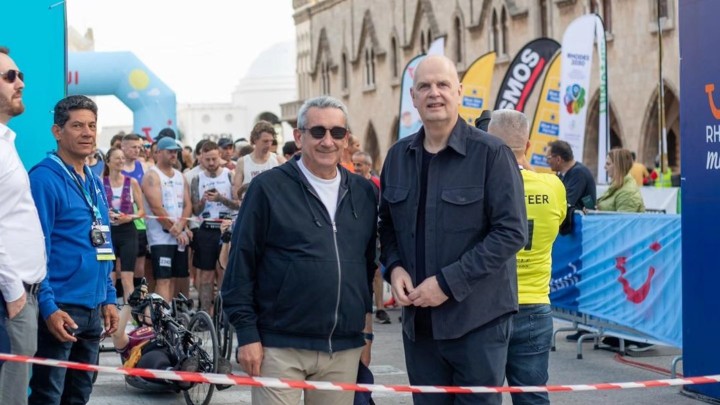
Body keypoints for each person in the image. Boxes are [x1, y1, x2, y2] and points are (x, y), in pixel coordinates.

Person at [378, 56, 527, 405]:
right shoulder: (397, 158)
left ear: (459, 92)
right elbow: (387, 227)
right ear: (413, 97)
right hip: (420, 329)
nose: (434, 93)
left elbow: (511, 232)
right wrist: (394, 267)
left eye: (443, 84)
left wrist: (447, 283)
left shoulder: (492, 154)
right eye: (425, 86)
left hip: (478, 323)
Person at [222, 96, 377, 405]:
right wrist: (247, 334)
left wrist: (366, 333)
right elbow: (241, 265)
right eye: (318, 131)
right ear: (298, 136)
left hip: (342, 349)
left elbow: (366, 266)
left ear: (346, 138)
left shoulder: (363, 192)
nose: (327, 141)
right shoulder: (267, 188)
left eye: (337, 132)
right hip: (279, 346)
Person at [28, 95, 119, 405]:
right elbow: (36, 248)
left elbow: (103, 241)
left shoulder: (93, 179)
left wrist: (108, 296)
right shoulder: (43, 179)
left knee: (79, 395)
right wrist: (48, 306)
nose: (87, 133)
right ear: (57, 131)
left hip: (93, 308)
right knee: (48, 396)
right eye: (77, 126)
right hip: (61, 307)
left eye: (92, 126)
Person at [487, 109, 567, 405]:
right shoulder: (554, 186)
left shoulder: (485, 187)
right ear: (529, 145)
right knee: (532, 397)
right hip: (535, 303)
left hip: (491, 305)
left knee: (483, 397)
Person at [0, 46, 47, 405]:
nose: (21, 83)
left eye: (21, 75)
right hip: (8, 298)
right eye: (9, 76)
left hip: (20, 295)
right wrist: (13, 291)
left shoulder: (6, 141)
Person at [189, 141, 239, 314]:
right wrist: (203, 201)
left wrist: (220, 199)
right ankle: (205, 311)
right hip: (207, 228)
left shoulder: (229, 175)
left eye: (214, 159)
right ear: (201, 158)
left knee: (224, 271)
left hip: (226, 227)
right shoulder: (197, 179)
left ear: (220, 157)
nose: (211, 163)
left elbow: (238, 204)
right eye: (207, 159)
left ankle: (224, 311)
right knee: (206, 274)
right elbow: (195, 210)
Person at [142, 137, 192, 302]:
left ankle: (171, 311)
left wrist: (182, 226)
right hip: (160, 237)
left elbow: (187, 205)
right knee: (163, 278)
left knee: (176, 277)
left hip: (178, 235)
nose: (173, 155)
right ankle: (161, 313)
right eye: (169, 151)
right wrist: (174, 229)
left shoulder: (180, 176)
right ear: (158, 153)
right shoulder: (152, 175)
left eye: (175, 152)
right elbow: (156, 207)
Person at [103, 147, 145, 303]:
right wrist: (105, 214)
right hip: (108, 232)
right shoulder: (100, 182)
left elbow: (141, 211)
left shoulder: (131, 182)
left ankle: (130, 313)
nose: (121, 161)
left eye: (122, 158)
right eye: (117, 158)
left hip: (128, 231)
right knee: (110, 277)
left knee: (128, 277)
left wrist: (129, 218)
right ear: (108, 161)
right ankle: (109, 310)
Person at [352, 151, 389, 325]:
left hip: (374, 234)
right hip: (354, 235)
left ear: (368, 166)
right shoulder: (348, 182)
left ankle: (380, 308)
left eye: (359, 164)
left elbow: (384, 209)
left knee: (376, 272)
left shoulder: (376, 184)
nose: (356, 168)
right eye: (354, 164)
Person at [232, 120, 286, 193]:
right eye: (265, 141)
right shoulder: (242, 162)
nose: (269, 145)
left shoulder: (279, 160)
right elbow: (236, 193)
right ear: (255, 140)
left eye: (271, 141)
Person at [545, 139, 596, 211]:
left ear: (558, 159)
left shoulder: (579, 173)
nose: (546, 161)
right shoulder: (561, 174)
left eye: (548, 158)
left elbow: (565, 202)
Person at [596, 148, 646, 213]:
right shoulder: (617, 184)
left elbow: (623, 219)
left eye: (608, 164)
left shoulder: (628, 193)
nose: (604, 167)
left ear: (618, 166)